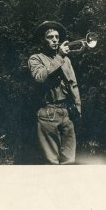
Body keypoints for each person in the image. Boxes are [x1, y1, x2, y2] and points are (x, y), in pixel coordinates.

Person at [28, 21, 81, 164]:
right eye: (50, 37)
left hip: (67, 112)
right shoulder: (36, 58)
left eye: (57, 37)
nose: (55, 40)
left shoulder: (66, 60)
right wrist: (59, 57)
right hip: (48, 112)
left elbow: (73, 84)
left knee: (69, 160)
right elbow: (40, 77)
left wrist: (78, 108)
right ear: (42, 40)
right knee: (52, 162)